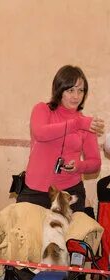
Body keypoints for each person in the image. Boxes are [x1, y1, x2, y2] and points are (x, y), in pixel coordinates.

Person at [16, 65, 103, 212]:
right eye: (70, 90)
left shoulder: (87, 124)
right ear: (59, 90)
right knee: (26, 234)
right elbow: (40, 133)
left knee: (71, 235)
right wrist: (78, 123)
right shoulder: (42, 109)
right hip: (35, 190)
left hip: (69, 193)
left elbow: (95, 163)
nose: (76, 96)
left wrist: (79, 166)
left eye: (81, 90)